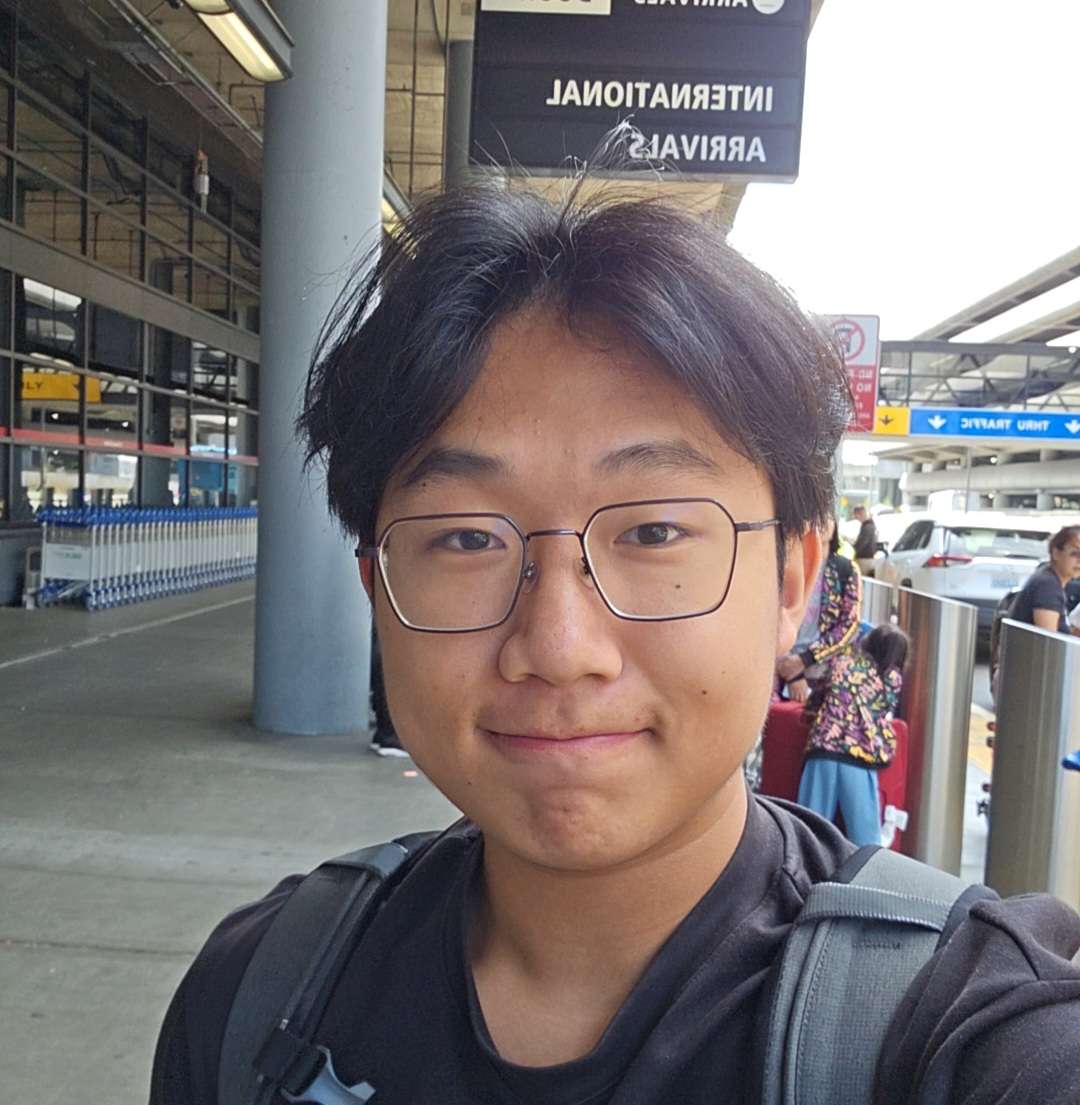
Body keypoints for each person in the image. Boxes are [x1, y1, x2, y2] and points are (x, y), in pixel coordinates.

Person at [150, 181, 1080, 1105]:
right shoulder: (257, 998)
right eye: (468, 537)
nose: (557, 645)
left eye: (653, 532)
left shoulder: (965, 1031)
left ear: (793, 580)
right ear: (378, 592)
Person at [797, 624, 909, 847]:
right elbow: (884, 708)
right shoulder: (891, 677)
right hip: (859, 756)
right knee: (865, 838)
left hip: (823, 749)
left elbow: (816, 698)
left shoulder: (842, 663)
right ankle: (865, 877)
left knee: (808, 831)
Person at [775, 519, 860, 704]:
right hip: (780, 665)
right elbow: (769, 616)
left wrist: (804, 660)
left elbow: (850, 625)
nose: (821, 522)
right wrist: (790, 670)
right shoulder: (786, 565)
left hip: (824, 669)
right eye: (815, 516)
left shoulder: (845, 569)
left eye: (827, 516)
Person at [1008, 525, 1080, 633]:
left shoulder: (1049, 578)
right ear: (1056, 553)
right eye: (1075, 553)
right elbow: (1048, 642)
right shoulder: (1047, 586)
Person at [851, 505, 879, 576]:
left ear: (860, 514)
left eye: (856, 516)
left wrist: (852, 552)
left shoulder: (867, 527)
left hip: (864, 560)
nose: (856, 519)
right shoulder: (871, 526)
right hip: (869, 559)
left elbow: (861, 544)